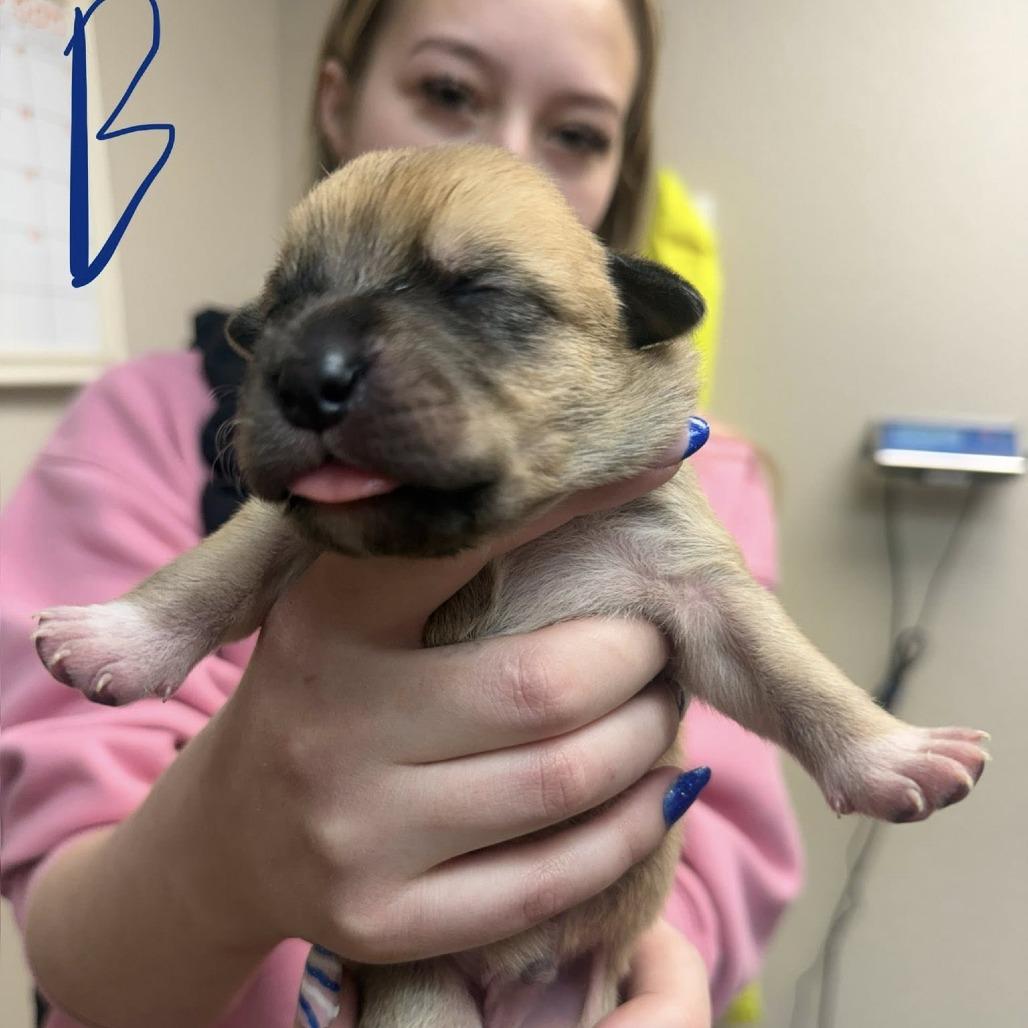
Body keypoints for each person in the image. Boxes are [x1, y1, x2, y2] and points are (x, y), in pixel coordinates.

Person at [0, 2, 803, 1026]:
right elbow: (73, 937)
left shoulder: (696, 469)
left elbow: (725, 841)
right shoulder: (138, 431)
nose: (507, 160)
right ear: (338, 102)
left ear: (616, 176)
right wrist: (222, 849)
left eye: (575, 134)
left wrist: (651, 961)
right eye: (448, 93)